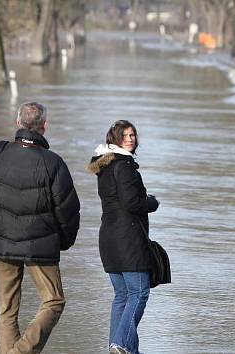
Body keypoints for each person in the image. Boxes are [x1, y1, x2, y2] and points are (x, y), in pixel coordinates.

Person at [0, 102, 80, 354]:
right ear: (44, 127)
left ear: (18, 123)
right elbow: (68, 211)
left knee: (7, 309)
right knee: (53, 301)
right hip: (40, 245)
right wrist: (63, 241)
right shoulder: (53, 163)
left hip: (2, 241)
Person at [86, 120, 159, 354]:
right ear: (114, 139)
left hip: (108, 237)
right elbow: (131, 202)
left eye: (133, 135)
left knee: (122, 296)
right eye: (125, 135)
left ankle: (120, 347)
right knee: (139, 293)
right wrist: (152, 203)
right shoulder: (124, 166)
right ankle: (120, 344)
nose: (131, 139)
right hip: (127, 239)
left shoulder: (105, 166)